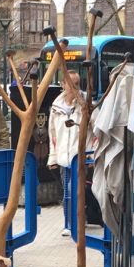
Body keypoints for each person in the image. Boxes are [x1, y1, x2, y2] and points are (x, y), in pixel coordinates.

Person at [47, 73, 84, 237]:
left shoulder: (86, 103)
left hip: (80, 155)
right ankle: (68, 223)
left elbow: (93, 129)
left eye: (77, 83)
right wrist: (52, 157)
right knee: (67, 192)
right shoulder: (56, 107)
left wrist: (90, 153)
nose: (74, 87)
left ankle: (79, 221)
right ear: (63, 85)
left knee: (76, 190)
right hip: (63, 156)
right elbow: (52, 134)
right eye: (71, 84)